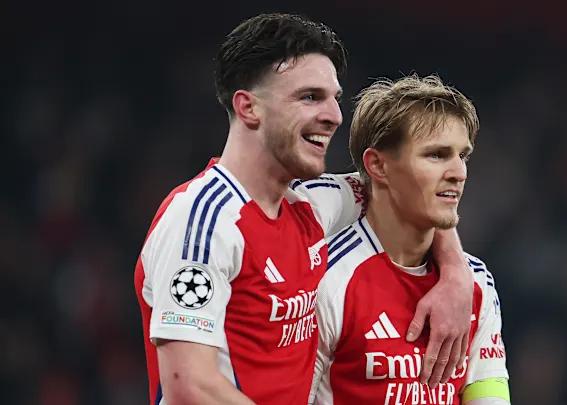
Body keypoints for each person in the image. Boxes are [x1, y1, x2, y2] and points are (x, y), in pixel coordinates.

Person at [134, 14, 474, 405]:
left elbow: (410, 185)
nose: (334, 116)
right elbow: (189, 387)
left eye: (334, 98)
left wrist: (455, 273)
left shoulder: (311, 207)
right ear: (248, 108)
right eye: (310, 97)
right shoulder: (203, 220)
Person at [310, 75, 510, 404]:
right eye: (436, 155)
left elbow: (490, 395)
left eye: (463, 156)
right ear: (378, 165)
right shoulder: (325, 279)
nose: (459, 173)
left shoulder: (476, 282)